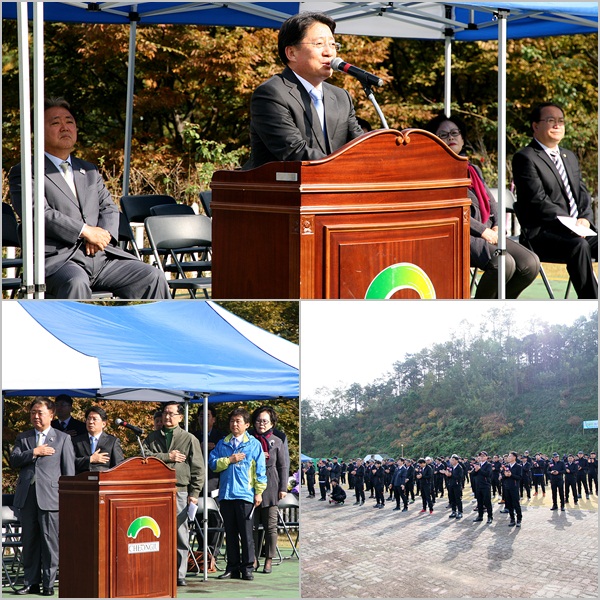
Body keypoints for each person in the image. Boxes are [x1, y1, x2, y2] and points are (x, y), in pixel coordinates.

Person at [9, 97, 171, 300]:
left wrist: (101, 236)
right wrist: (85, 232)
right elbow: (38, 213)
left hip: (102, 257)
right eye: (55, 122)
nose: (64, 127)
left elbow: (109, 208)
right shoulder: (26, 171)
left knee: (151, 276)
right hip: (60, 261)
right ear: (38, 131)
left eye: (69, 121)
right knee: (75, 282)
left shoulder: (89, 169)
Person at [425, 113, 540, 298]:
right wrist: (483, 231)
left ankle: (500, 306)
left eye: (455, 133)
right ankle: (482, 308)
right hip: (459, 234)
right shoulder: (433, 172)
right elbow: (450, 210)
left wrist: (496, 226)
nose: (451, 138)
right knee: (503, 263)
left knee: (530, 262)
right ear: (434, 141)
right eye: (444, 135)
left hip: (488, 232)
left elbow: (490, 201)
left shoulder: (472, 169)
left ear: (463, 138)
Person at [243, 12, 364, 170]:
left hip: (336, 189)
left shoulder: (341, 97)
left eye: (333, 44)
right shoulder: (271, 94)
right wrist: (346, 167)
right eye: (319, 44)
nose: (329, 52)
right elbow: (294, 152)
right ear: (291, 53)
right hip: (284, 191)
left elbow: (360, 147)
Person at [512, 102, 598, 299]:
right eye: (551, 121)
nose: (557, 125)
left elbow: (582, 194)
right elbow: (537, 201)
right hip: (542, 233)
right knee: (579, 246)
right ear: (535, 126)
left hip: (577, 229)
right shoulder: (525, 158)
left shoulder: (569, 156)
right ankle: (592, 304)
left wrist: (584, 218)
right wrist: (571, 224)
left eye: (561, 121)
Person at [9, 398, 76, 596]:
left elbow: (68, 473)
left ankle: (48, 583)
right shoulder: (24, 437)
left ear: (51, 414)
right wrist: (34, 452)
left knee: (49, 543)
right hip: (27, 497)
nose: (36, 416)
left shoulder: (62, 438)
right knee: (29, 541)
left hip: (51, 498)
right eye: (33, 413)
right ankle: (31, 582)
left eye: (40, 413)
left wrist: (68, 501)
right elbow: (14, 460)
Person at [143, 401, 205, 587]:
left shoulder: (189, 438)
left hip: (179, 491)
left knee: (180, 533)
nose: (167, 417)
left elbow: (198, 469)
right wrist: (167, 457)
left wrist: (194, 493)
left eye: (171, 414)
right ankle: (158, 569)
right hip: (156, 491)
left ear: (180, 417)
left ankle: (180, 573)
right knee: (155, 531)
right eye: (165, 413)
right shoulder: (153, 437)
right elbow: (142, 456)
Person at [209, 407, 267, 581]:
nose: (234, 424)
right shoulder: (222, 443)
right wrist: (229, 460)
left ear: (247, 425)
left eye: (238, 421)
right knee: (231, 533)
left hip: (245, 495)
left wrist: (259, 492)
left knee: (246, 534)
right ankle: (232, 567)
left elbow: (260, 471)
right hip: (226, 494)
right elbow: (213, 464)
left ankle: (248, 567)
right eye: (232, 421)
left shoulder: (254, 444)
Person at [249, 406, 290, 575]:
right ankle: (254, 559)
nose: (261, 424)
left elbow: (283, 465)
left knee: (271, 526)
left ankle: (269, 559)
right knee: (252, 526)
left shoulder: (277, 440)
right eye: (258, 421)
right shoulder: (248, 438)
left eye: (265, 421)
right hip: (251, 485)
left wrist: (283, 487)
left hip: (271, 484)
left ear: (272, 422)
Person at [72, 406, 125, 473]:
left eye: (94, 419)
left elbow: (119, 467)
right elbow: (70, 462)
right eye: (88, 419)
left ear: (103, 424)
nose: (91, 422)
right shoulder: (77, 441)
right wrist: (90, 459)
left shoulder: (112, 442)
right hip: (82, 480)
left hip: (104, 480)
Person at [193, 405, 224, 495]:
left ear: (213, 419)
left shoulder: (221, 437)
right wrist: (199, 448)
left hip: (215, 481)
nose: (203, 419)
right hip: (197, 481)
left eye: (207, 416)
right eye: (201, 416)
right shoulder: (192, 437)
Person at [500, 451, 523, 527]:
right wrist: (504, 476)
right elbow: (503, 476)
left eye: (510, 456)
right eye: (508, 456)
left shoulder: (518, 466)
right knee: (509, 504)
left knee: (516, 504)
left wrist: (511, 475)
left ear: (514, 457)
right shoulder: (506, 466)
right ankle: (512, 519)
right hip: (506, 487)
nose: (508, 458)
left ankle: (519, 519)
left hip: (514, 487)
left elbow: (519, 477)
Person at [471, 451, 493, 524]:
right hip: (478, 485)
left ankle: (490, 516)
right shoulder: (478, 464)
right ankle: (480, 516)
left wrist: (480, 469)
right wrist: (476, 470)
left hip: (485, 485)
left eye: (483, 456)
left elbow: (488, 474)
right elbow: (473, 474)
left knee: (487, 502)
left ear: (486, 457)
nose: (482, 457)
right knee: (479, 502)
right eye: (480, 456)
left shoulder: (488, 465)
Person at [443, 454, 464, 520]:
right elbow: (449, 476)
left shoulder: (459, 468)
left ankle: (460, 512)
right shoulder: (450, 467)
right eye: (451, 460)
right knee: (452, 499)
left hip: (457, 485)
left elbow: (460, 477)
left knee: (458, 499)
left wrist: (451, 475)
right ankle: (453, 511)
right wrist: (447, 475)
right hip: (451, 485)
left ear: (457, 461)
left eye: (453, 460)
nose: (451, 461)